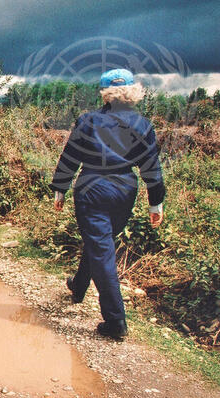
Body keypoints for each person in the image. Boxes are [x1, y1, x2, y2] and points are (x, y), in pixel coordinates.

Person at [50, 68, 165, 340]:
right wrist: (155, 203)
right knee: (100, 242)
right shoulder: (143, 125)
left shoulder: (88, 121)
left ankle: (115, 321)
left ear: (104, 93)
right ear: (132, 91)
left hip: (91, 187)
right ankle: (78, 287)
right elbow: (152, 167)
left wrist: (60, 189)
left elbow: (71, 156)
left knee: (101, 249)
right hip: (125, 188)